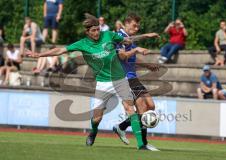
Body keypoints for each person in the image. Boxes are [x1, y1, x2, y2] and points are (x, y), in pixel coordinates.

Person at [27, 13, 150, 150]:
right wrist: (39, 54)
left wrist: (143, 39)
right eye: (93, 30)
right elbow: (60, 50)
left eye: (98, 29)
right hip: (103, 83)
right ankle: (94, 132)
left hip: (120, 79)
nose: (97, 32)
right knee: (97, 118)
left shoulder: (108, 35)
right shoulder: (82, 44)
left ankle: (141, 145)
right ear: (87, 32)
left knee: (130, 109)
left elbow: (127, 40)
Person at [114, 13, 160, 151]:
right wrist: (136, 49)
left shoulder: (129, 39)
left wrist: (147, 66)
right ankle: (143, 144)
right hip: (125, 78)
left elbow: (132, 59)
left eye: (138, 26)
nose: (136, 28)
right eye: (134, 25)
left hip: (133, 77)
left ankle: (121, 126)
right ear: (126, 23)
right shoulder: (119, 37)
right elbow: (122, 56)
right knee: (142, 107)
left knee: (151, 106)